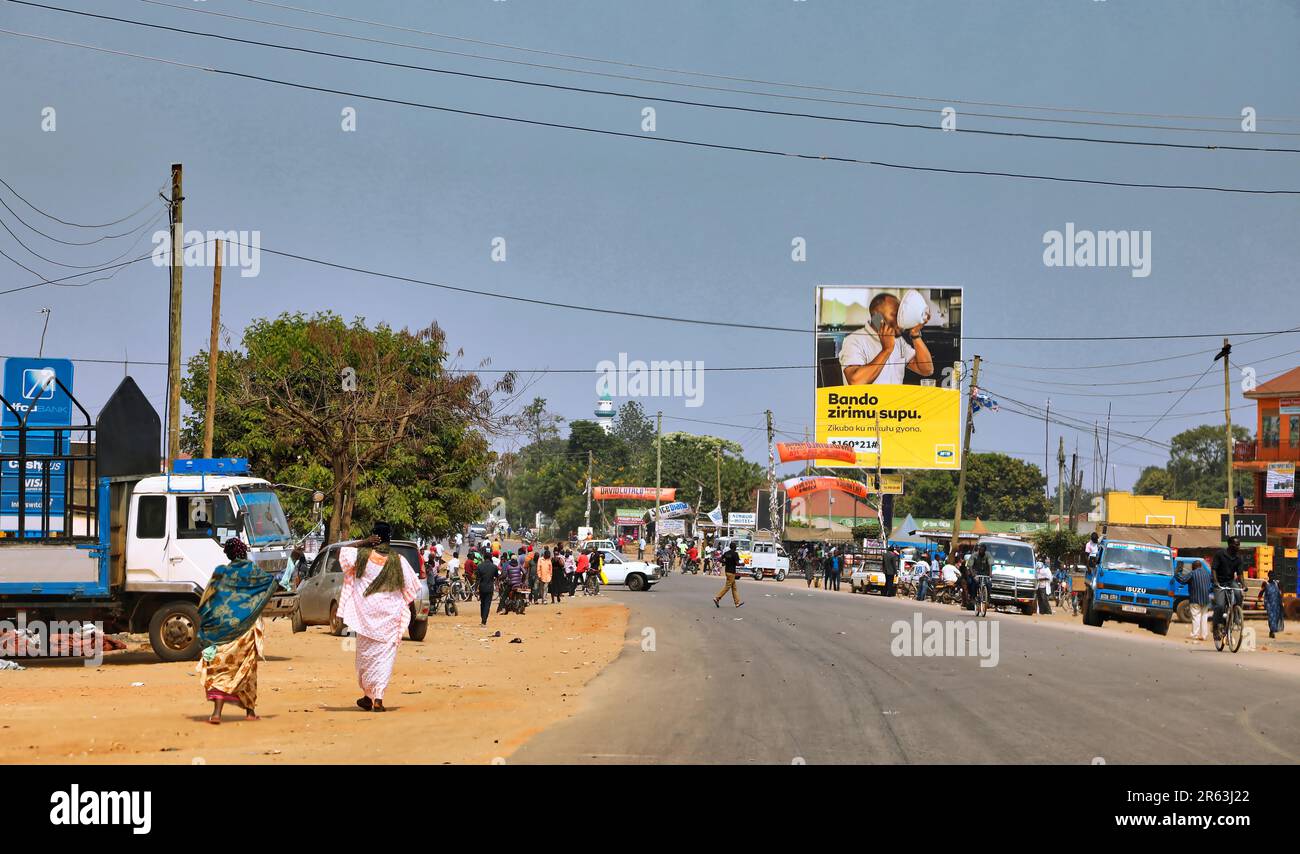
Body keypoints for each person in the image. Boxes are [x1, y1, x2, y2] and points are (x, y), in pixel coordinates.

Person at [337, 521, 424, 713]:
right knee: (385, 658)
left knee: (365, 658)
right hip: (389, 618)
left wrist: (363, 542)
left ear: (373, 537)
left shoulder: (362, 556)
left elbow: (342, 552)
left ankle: (369, 695)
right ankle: (376, 698)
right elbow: (411, 588)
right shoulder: (399, 560)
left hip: (365, 617)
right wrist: (411, 612)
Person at [197, 538, 279, 725]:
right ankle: (250, 711)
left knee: (220, 669)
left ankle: (217, 713)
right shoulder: (252, 571)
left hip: (220, 630)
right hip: (246, 630)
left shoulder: (221, 572)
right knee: (247, 668)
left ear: (228, 554)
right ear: (244, 553)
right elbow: (271, 584)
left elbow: (208, 599)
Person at [839, 291, 934, 385]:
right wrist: (887, 350)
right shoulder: (854, 340)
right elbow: (856, 382)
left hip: (896, 400)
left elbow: (927, 370)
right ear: (876, 317)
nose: (900, 319)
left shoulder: (899, 341)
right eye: (895, 314)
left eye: (901, 315)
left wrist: (915, 334)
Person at [1210, 537, 1245, 638]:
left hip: (1230, 581)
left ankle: (1236, 616)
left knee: (1239, 594)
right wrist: (1216, 581)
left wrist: (1243, 584)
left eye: (1239, 545)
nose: (1238, 547)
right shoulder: (1220, 554)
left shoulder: (1238, 558)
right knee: (1220, 605)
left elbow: (1240, 574)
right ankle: (1216, 626)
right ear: (1229, 544)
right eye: (1235, 545)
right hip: (1219, 582)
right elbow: (1214, 569)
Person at [1175, 557, 1212, 642]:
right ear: (1201, 566)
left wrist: (1178, 572)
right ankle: (1203, 635)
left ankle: (1195, 634)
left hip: (1195, 598)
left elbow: (1183, 580)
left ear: (1193, 567)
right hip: (1206, 599)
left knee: (1196, 616)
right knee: (1204, 617)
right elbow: (1211, 585)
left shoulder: (1192, 573)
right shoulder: (1207, 574)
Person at [713, 541, 744, 608]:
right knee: (727, 587)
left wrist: (725, 562)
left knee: (734, 587)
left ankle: (737, 603)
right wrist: (742, 564)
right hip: (732, 572)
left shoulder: (726, 553)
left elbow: (719, 559)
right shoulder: (735, 554)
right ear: (734, 547)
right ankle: (717, 598)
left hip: (727, 571)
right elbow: (737, 563)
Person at [1256, 570, 1285, 639]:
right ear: (1268, 576)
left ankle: (1272, 630)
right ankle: (1272, 631)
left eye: (1273, 575)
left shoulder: (1277, 583)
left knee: (1276, 617)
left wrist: (1282, 599)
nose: (1272, 577)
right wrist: (1259, 599)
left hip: (1277, 603)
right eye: (1271, 575)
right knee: (1271, 617)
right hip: (1268, 603)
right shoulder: (1265, 583)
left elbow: (1282, 590)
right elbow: (1261, 592)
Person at [476, 549, 500, 626]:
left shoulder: (480, 566)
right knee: (487, 604)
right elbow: (497, 577)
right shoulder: (494, 567)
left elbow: (477, 579)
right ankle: (484, 621)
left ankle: (482, 618)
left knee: (482, 604)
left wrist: (476, 588)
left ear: (484, 557)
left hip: (482, 587)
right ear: (490, 558)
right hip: (490, 588)